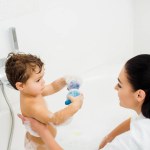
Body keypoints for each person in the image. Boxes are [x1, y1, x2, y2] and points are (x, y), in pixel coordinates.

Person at [19, 54, 150, 150]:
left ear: (139, 95)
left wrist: (42, 131)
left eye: (120, 85)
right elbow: (137, 119)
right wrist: (109, 136)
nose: (115, 88)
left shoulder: (129, 143)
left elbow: (54, 118)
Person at [5, 52, 83, 150]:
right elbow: (55, 119)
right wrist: (75, 105)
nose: (43, 82)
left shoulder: (30, 92)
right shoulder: (32, 105)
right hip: (41, 147)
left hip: (42, 141)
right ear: (20, 86)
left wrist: (65, 80)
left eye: (42, 77)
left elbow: (52, 87)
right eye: (38, 80)